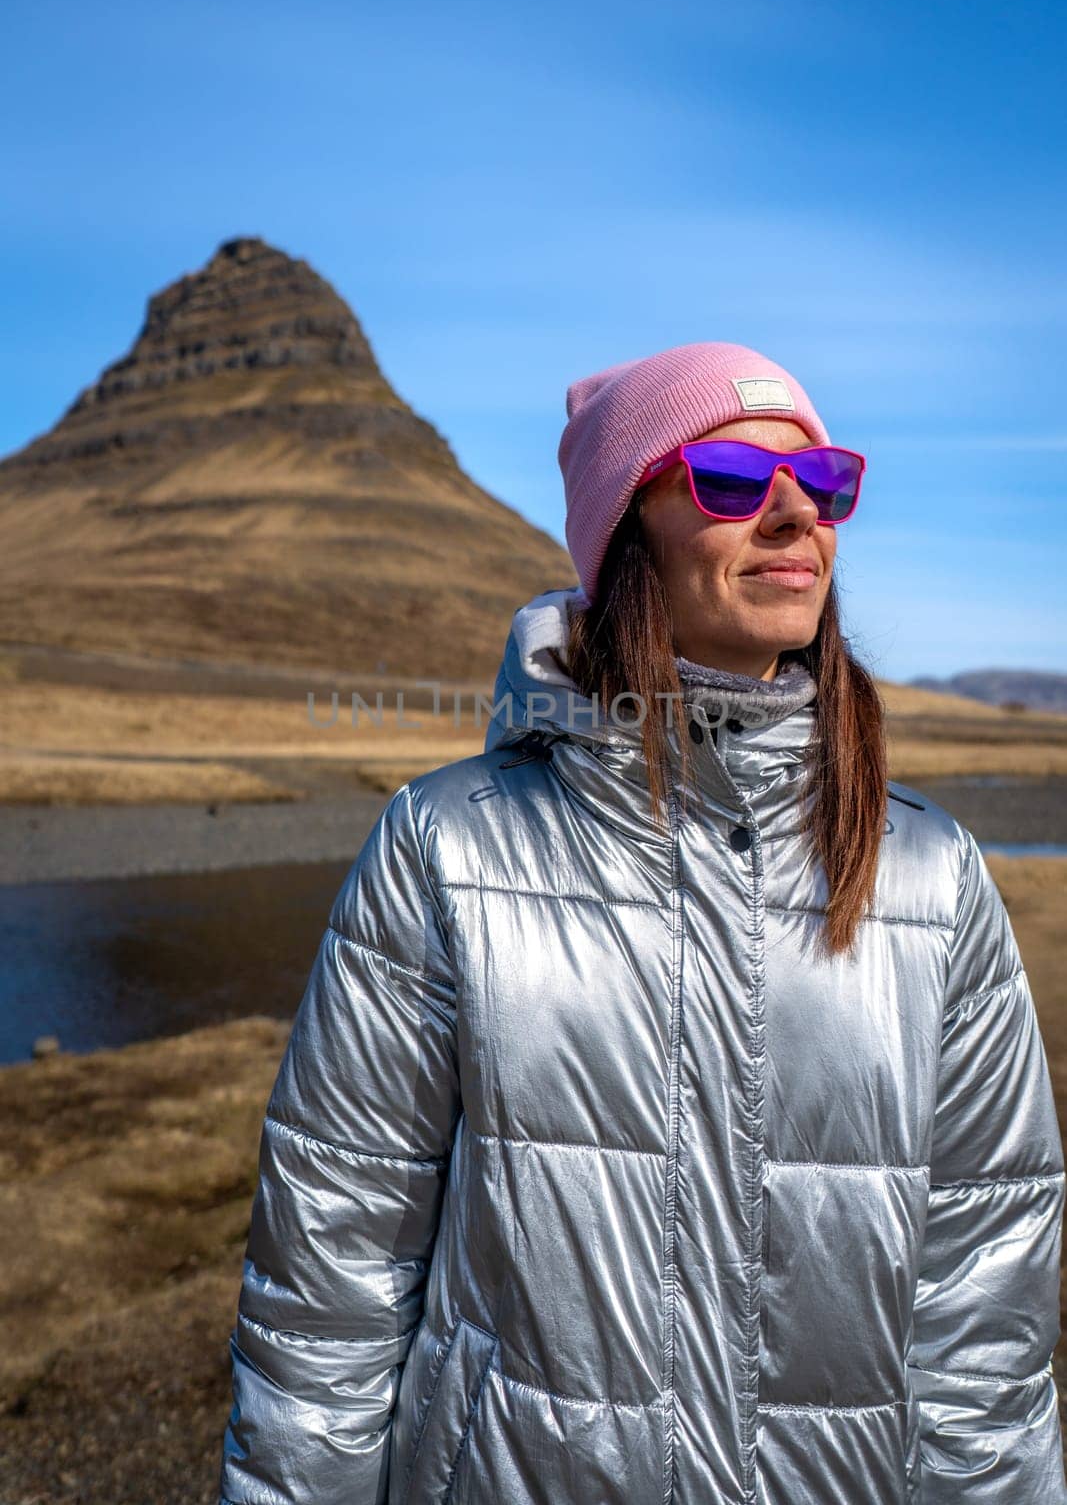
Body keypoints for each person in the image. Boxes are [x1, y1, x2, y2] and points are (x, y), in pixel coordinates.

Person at [218, 342, 1066, 1505]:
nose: (789, 513)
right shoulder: (448, 849)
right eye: (725, 477)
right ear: (627, 534)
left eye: (822, 483)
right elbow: (330, 1283)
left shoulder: (933, 876)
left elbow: (984, 1316)